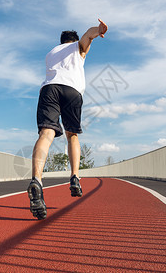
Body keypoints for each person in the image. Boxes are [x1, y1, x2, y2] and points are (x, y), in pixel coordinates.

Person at [27, 19, 108, 220]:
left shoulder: (51, 53)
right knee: (72, 135)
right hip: (72, 91)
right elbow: (88, 35)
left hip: (49, 89)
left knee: (46, 134)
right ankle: (74, 177)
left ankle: (36, 179)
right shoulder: (77, 48)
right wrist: (98, 30)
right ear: (73, 40)